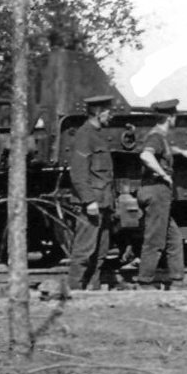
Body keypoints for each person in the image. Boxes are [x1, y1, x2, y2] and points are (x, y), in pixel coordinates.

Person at [137, 99, 187, 289]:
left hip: (158, 191)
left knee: (174, 238)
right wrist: (163, 174)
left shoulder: (160, 137)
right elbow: (146, 155)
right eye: (174, 116)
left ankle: (177, 280)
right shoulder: (156, 136)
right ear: (170, 117)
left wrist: (182, 151)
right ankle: (145, 281)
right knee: (155, 238)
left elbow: (164, 151)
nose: (175, 119)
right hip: (157, 190)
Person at [67, 95, 115, 290]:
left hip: (104, 201)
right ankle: (75, 289)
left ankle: (92, 289)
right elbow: (78, 173)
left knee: (100, 251)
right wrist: (89, 200)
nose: (110, 116)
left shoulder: (97, 134)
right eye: (107, 112)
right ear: (97, 112)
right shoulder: (84, 135)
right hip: (93, 202)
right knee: (84, 249)